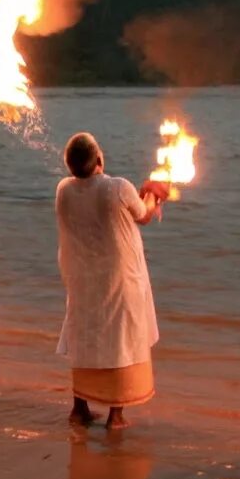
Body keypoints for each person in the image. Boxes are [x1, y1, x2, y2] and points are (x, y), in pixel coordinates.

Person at [54, 132, 171, 429]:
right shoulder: (117, 187)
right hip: (118, 280)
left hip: (82, 276)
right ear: (99, 160)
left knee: (85, 336)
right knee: (121, 338)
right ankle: (115, 416)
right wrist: (154, 193)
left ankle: (79, 408)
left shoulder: (63, 189)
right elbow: (143, 216)